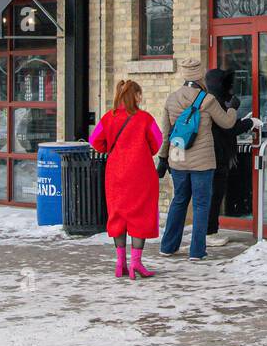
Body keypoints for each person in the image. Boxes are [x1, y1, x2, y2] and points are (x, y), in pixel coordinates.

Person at [157, 57, 236, 261]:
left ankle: (167, 246)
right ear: (200, 75)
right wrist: (233, 108)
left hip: (178, 158)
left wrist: (163, 159)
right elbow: (227, 123)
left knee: (179, 201)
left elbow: (166, 134)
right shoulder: (207, 99)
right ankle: (196, 251)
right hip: (202, 162)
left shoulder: (171, 99)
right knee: (201, 204)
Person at [90, 79, 162, 280]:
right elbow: (157, 142)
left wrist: (111, 150)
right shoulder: (145, 119)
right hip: (141, 173)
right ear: (135, 96)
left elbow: (94, 140)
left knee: (118, 215)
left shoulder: (108, 118)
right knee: (140, 214)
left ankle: (120, 263)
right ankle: (136, 264)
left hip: (115, 174)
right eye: (139, 94)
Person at [204, 67, 260, 247]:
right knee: (214, 195)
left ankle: (208, 231)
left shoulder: (211, 100)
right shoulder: (214, 102)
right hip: (216, 156)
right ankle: (209, 233)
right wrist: (249, 122)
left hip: (214, 155)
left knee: (212, 195)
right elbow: (228, 128)